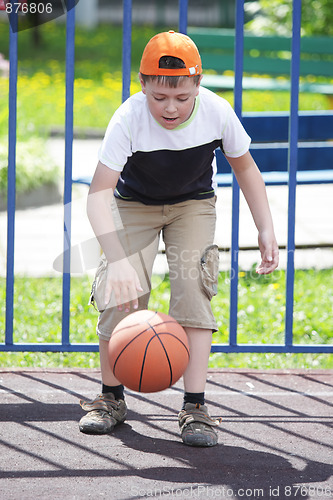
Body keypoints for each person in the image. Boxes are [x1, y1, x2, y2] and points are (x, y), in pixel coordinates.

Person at [79, 31, 279, 447]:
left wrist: (266, 227)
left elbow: (246, 170)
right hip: (134, 204)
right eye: (159, 97)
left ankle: (195, 406)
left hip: (192, 204)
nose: (171, 107)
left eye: (182, 97)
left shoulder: (218, 112)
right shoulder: (128, 117)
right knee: (122, 292)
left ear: (197, 87)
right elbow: (98, 195)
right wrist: (116, 259)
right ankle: (110, 398)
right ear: (143, 85)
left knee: (192, 290)